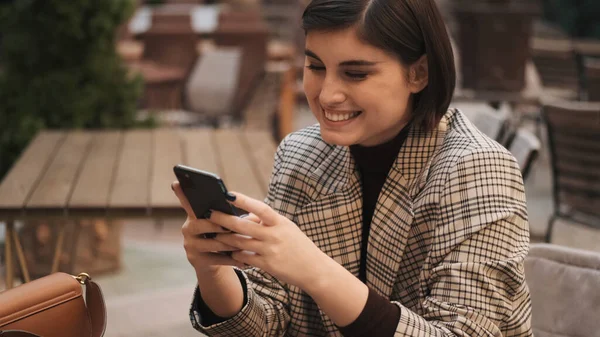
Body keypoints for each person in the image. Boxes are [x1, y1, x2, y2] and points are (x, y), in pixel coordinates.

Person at [171, 0, 533, 336]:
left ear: (419, 73)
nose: (327, 95)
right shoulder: (302, 154)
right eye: (315, 66)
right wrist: (213, 269)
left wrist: (315, 270)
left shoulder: (478, 169)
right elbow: (266, 321)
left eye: (355, 74)